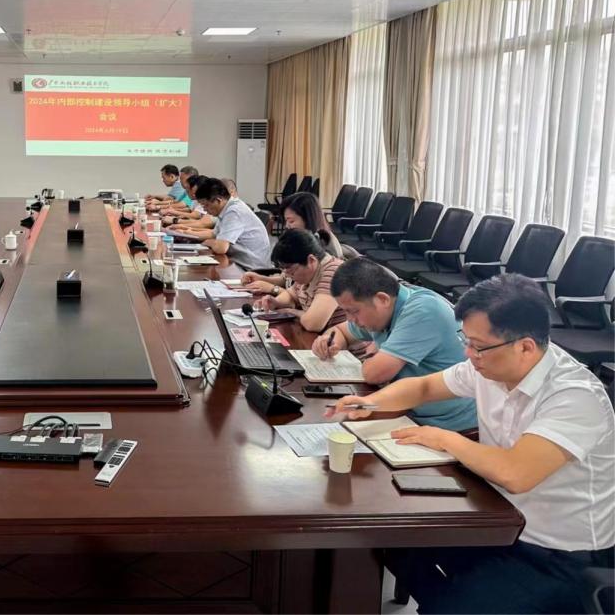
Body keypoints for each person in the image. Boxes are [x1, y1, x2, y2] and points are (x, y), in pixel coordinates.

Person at [327, 273, 614, 614]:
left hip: (557, 553)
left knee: (452, 603)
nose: (468, 353)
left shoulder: (575, 396)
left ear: (525, 346)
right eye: (467, 340)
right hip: (496, 521)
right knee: (392, 543)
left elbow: (515, 473)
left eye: (478, 346)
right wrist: (371, 403)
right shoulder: (491, 366)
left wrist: (444, 438)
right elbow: (424, 387)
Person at [312, 257, 477, 430]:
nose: (351, 319)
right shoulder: (382, 311)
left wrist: (371, 359)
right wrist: (328, 342)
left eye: (353, 311)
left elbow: (375, 374)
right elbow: (340, 331)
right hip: (408, 410)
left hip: (449, 424)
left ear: (382, 299)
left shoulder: (424, 310)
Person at [240, 191, 344, 292]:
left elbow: (304, 296)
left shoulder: (324, 249)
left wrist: (273, 289)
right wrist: (259, 278)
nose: (287, 226)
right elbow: (287, 280)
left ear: (308, 219)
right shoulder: (300, 242)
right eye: (286, 221)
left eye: (291, 221)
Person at [254, 229, 347, 332]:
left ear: (311, 260)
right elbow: (291, 295)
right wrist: (276, 302)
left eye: (291, 271)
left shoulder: (334, 273)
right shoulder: (307, 273)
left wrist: (292, 312)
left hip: (339, 340)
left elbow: (313, 323)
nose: (287, 275)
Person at [189, 177, 271, 271]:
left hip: (252, 269)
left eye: (206, 205)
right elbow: (214, 234)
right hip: (239, 262)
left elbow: (221, 248)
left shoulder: (234, 211)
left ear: (218, 200)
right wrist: (186, 233)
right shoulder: (226, 208)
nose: (204, 209)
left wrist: (209, 242)